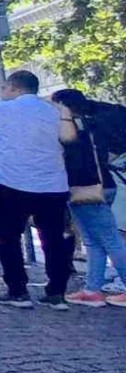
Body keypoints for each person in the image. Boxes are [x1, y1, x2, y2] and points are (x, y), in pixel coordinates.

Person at [0, 71, 72, 309]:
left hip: (14, 182)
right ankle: (56, 292)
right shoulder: (53, 110)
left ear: (14, 88)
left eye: (6, 88)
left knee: (7, 237)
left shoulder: (2, 108)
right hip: (53, 183)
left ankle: (18, 291)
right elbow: (66, 138)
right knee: (53, 239)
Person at [52, 89, 126, 307]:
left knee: (109, 240)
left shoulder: (72, 127)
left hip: (84, 187)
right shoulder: (94, 122)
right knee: (94, 241)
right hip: (104, 184)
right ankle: (92, 289)